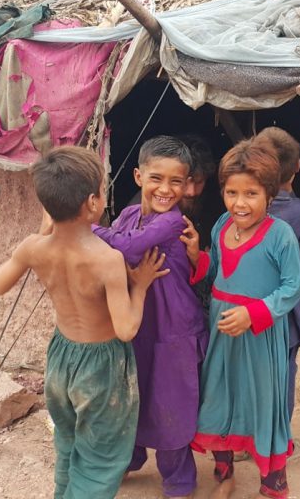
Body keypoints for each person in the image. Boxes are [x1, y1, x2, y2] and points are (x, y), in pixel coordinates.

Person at [0, 146, 167, 499]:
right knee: (100, 457)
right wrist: (142, 286)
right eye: (102, 190)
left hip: (61, 359)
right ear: (92, 203)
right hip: (102, 367)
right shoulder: (107, 259)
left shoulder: (33, 248)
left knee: (68, 441)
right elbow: (126, 329)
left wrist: (40, 235)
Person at [186, 139, 300, 499]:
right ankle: (224, 472)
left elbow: (292, 287)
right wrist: (196, 256)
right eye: (231, 192)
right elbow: (216, 273)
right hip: (223, 331)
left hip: (259, 336)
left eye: (251, 193)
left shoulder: (280, 235)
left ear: (269, 194)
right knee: (219, 394)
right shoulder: (222, 225)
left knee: (262, 401)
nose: (239, 203)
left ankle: (273, 482)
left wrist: (254, 314)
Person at [93, 136, 208, 499]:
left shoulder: (173, 222)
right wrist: (105, 234)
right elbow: (115, 245)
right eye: (157, 178)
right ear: (139, 176)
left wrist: (82, 225)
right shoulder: (129, 215)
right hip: (140, 324)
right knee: (134, 396)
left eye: (177, 181)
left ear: (188, 184)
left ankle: (179, 482)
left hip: (173, 330)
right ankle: (130, 458)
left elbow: (124, 247)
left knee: (171, 402)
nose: (166, 189)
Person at [253, 127, 300, 419]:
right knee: (283, 374)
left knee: (250, 376)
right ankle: (277, 439)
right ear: (298, 165)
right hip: (283, 316)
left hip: (249, 310)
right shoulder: (298, 212)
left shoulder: (240, 214)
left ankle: (244, 439)